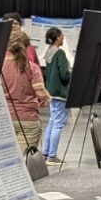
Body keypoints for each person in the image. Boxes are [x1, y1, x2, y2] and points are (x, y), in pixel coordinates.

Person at [2, 31, 48, 153]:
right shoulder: (32, 67)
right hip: (28, 120)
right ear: (26, 47)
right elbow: (41, 93)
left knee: (5, 159)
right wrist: (47, 99)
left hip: (3, 119)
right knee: (25, 160)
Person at [42, 27, 72, 165]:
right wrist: (73, 72)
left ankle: (45, 153)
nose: (63, 37)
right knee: (58, 124)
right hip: (60, 93)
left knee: (52, 122)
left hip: (51, 92)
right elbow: (65, 75)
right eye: (62, 35)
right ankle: (52, 156)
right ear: (58, 37)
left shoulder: (48, 51)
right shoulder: (60, 53)